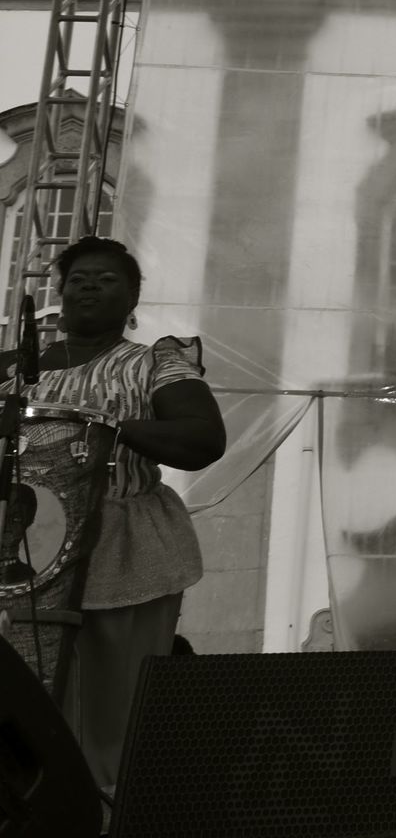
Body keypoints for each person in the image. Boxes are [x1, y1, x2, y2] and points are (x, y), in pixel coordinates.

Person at [12, 237, 225, 799]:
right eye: (78, 277)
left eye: (107, 279)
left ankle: (103, 803)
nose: (89, 285)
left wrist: (99, 424)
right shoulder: (15, 371)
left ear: (133, 298)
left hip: (118, 543)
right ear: (60, 292)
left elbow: (202, 438)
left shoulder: (154, 362)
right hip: (22, 547)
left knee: (110, 691)